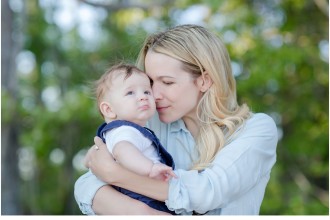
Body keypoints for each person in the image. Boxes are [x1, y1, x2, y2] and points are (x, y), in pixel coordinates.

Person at [74, 24, 278, 215]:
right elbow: (86, 186)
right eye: (151, 82)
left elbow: (208, 191)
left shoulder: (256, 129)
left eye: (167, 82)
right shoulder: (149, 123)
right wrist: (145, 213)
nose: (154, 94)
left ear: (204, 81)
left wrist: (115, 174)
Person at [76, 63, 177, 214]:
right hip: (144, 197)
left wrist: (88, 160)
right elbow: (123, 151)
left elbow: (89, 159)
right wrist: (151, 168)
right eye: (130, 93)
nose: (142, 97)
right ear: (108, 109)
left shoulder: (112, 133)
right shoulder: (127, 131)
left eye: (147, 92)